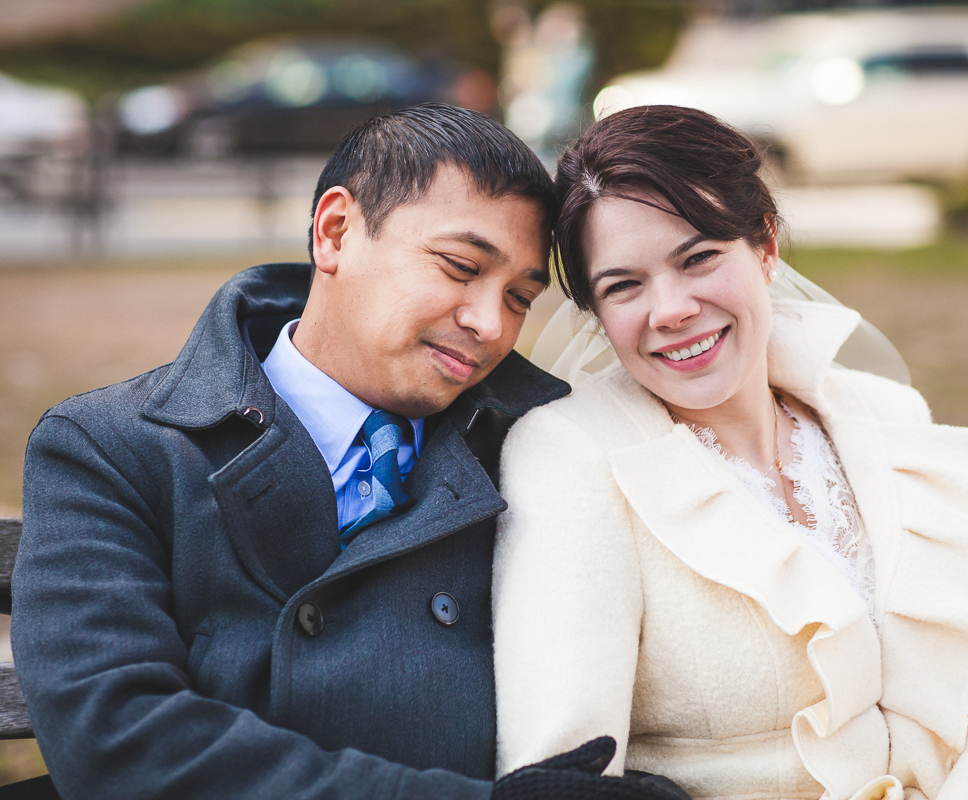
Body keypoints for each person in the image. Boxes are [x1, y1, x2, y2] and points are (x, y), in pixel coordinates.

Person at [12, 105, 688, 800]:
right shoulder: (110, 447)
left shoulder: (542, 445)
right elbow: (116, 738)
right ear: (335, 232)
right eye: (460, 267)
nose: (490, 326)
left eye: (519, 297)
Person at [492, 105, 968, 800]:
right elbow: (565, 775)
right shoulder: (570, 456)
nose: (671, 308)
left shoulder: (886, 417)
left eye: (699, 257)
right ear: (595, 313)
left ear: (766, 247)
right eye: (624, 286)